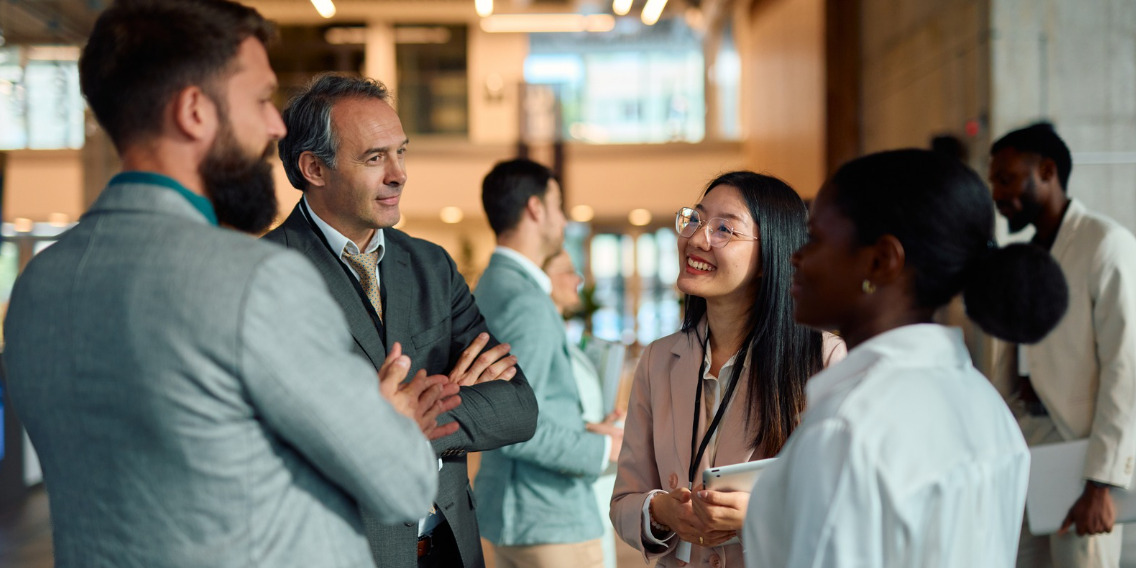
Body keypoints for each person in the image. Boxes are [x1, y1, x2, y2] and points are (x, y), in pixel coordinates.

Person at [2, 1, 450, 566]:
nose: (275, 126)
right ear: (194, 111)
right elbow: (403, 486)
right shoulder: (256, 281)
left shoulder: (38, 283)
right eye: (261, 99)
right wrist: (389, 422)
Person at [745, 149, 1070, 567]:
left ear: (881, 261)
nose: (796, 256)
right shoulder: (985, 404)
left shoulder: (851, 430)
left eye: (815, 238)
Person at [265, 74, 539, 568]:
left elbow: (519, 407)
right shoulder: (265, 276)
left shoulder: (431, 265)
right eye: (375, 158)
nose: (399, 174)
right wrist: (447, 393)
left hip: (450, 545)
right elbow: (287, 439)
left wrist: (403, 421)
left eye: (401, 152)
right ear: (314, 168)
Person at [611, 171, 844, 568]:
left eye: (724, 229)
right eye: (697, 220)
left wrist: (757, 516)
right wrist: (663, 512)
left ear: (770, 256)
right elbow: (624, 501)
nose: (698, 239)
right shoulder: (659, 359)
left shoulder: (823, 360)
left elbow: (843, 507)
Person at [988, 123, 1136, 568]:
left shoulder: (1105, 244)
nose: (996, 193)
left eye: (1006, 178)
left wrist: (1101, 483)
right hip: (1024, 443)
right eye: (993, 181)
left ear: (1047, 171)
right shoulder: (1026, 254)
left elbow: (1125, 367)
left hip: (1081, 450)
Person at [474, 158, 621, 568]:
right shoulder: (525, 301)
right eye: (558, 206)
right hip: (548, 518)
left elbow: (517, 405)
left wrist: (588, 426)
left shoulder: (492, 284)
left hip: (510, 512)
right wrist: (607, 446)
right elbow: (518, 426)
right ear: (536, 209)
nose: (563, 219)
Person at [544, 249, 623, 568]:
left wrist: (601, 421)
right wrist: (605, 438)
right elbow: (536, 419)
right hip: (564, 501)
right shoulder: (541, 342)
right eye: (566, 271)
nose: (578, 279)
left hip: (588, 491)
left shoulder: (560, 335)